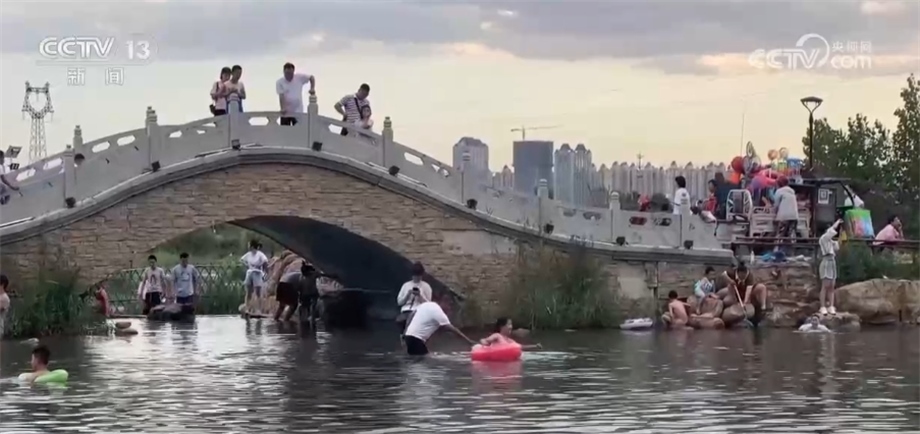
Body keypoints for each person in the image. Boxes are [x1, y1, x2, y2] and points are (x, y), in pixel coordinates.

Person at [403, 299, 476, 356]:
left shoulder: (428, 304)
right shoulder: (438, 312)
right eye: (449, 305)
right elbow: (451, 329)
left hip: (409, 337)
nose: (449, 308)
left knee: (415, 359)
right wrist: (469, 341)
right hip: (416, 339)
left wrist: (405, 332)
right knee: (424, 359)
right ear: (443, 302)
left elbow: (411, 315)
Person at [396, 262, 433, 335]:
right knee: (404, 321)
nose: (416, 278)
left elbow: (429, 304)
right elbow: (399, 302)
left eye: (418, 276)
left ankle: (406, 334)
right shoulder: (406, 285)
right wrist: (407, 295)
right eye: (415, 276)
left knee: (413, 320)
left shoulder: (426, 286)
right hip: (406, 310)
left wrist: (420, 296)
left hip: (420, 311)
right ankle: (405, 335)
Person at [818, 219, 843, 315]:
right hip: (826, 262)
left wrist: (840, 236)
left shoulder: (831, 241)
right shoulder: (823, 238)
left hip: (832, 262)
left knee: (832, 286)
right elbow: (831, 231)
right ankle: (822, 306)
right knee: (825, 285)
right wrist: (837, 223)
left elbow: (837, 248)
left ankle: (831, 306)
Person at [240, 240, 269, 316]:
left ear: (252, 246)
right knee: (248, 292)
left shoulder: (260, 254)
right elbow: (242, 260)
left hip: (257, 273)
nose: (248, 246)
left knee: (258, 292)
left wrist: (264, 270)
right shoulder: (248, 254)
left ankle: (259, 310)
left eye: (249, 245)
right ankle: (247, 308)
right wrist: (247, 265)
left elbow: (265, 261)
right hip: (250, 273)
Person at [772, 176, 799, 250]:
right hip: (794, 216)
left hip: (784, 217)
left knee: (780, 235)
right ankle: (792, 251)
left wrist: (774, 214)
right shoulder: (792, 192)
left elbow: (776, 205)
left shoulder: (779, 191)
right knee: (792, 235)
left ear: (779, 184)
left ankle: (776, 250)